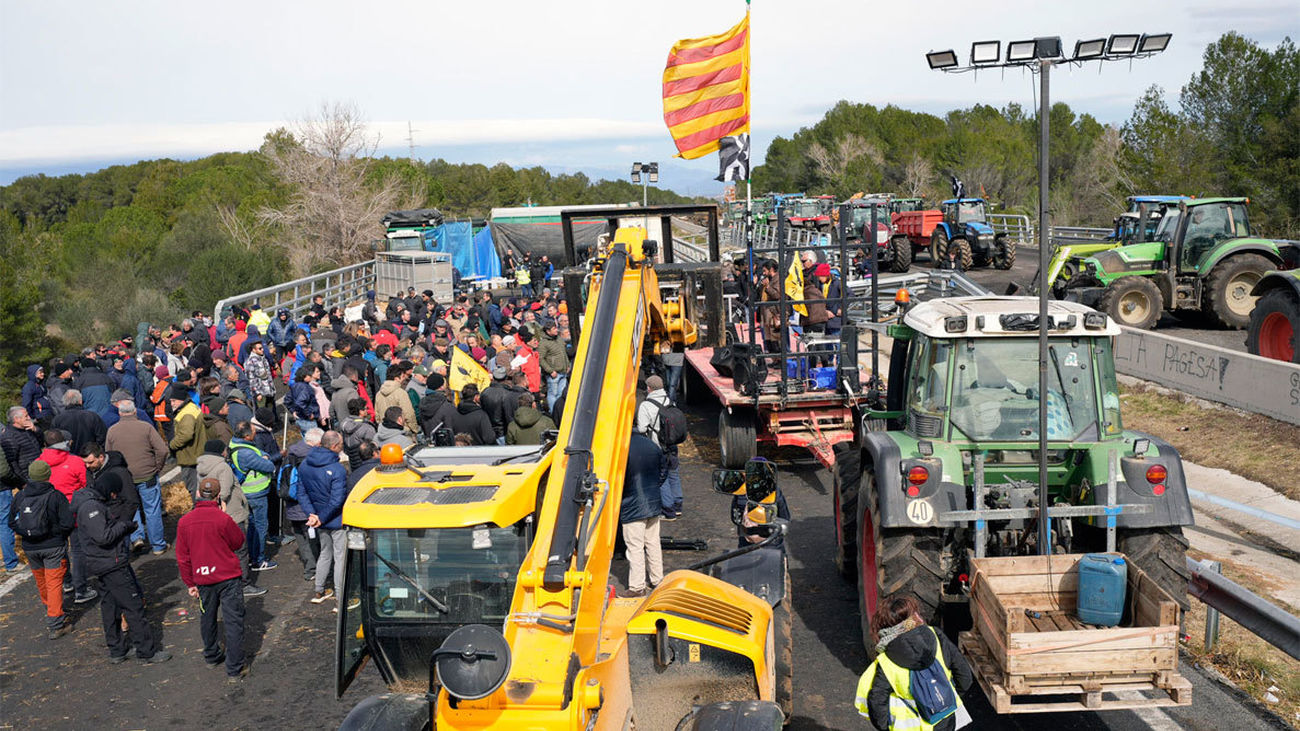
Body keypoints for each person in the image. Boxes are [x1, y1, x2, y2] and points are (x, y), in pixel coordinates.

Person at [75, 465, 170, 664]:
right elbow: (103, 536)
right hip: (111, 562)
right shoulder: (92, 507)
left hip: (101, 562)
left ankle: (117, 649)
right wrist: (125, 526)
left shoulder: (88, 502)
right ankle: (147, 651)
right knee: (133, 605)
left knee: (110, 605)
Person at [854, 595, 973, 731]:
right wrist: (945, 697)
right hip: (944, 721)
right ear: (914, 617)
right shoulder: (936, 636)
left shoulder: (887, 661)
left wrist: (885, 727)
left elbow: (877, 700)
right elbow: (965, 676)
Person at [177, 477, 249, 681]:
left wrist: (189, 583)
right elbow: (238, 542)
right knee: (233, 621)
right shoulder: (222, 519)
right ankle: (235, 668)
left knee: (207, 617)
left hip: (203, 579)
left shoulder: (185, 522)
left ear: (198, 494)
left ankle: (211, 655)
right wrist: (224, 515)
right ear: (219, 497)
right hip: (228, 577)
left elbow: (183, 557)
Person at [7, 459, 74, 638]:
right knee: (54, 583)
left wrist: (27, 533)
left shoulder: (20, 496)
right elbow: (68, 523)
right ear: (47, 476)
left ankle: (51, 608)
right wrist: (58, 535)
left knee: (42, 582)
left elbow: (11, 521)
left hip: (30, 548)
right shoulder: (55, 496)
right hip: (53, 546)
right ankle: (56, 622)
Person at [106, 401, 169, 554]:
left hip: (124, 478)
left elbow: (109, 454)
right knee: (152, 510)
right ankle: (158, 545)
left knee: (131, 508)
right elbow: (162, 450)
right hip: (147, 474)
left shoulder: (112, 431)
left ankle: (137, 537)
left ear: (120, 413)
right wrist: (157, 467)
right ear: (135, 411)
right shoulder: (146, 427)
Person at [298, 430, 348, 607]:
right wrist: (320, 517)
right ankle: (341, 597)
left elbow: (301, 493)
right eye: (341, 443)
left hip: (318, 518)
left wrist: (312, 515)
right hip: (335, 519)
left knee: (325, 553)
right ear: (334, 446)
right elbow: (337, 500)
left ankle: (319, 590)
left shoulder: (305, 465)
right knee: (340, 556)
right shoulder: (337, 469)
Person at [619, 433, 667, 597]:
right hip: (653, 500)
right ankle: (657, 579)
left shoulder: (621, 447)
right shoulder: (652, 445)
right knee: (653, 542)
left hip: (631, 504)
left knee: (635, 547)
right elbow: (663, 471)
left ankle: (637, 586)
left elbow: (618, 479)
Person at [228, 421, 278, 573]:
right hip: (256, 492)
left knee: (251, 525)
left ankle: (252, 556)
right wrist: (265, 459)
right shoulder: (247, 453)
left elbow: (263, 455)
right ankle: (259, 559)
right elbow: (269, 466)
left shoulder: (234, 444)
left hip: (246, 492)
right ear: (247, 436)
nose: (256, 433)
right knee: (260, 526)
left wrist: (264, 456)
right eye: (254, 432)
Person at [635, 376, 682, 520]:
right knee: (674, 475)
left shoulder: (645, 405)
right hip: (672, 445)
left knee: (662, 478)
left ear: (649, 388)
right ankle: (678, 505)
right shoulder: (669, 401)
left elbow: (642, 428)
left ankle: (668, 511)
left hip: (658, 447)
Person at [283, 428, 322, 582]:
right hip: (306, 506)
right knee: (312, 539)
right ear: (316, 442)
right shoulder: (310, 458)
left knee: (300, 537)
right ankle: (312, 569)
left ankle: (310, 567)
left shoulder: (291, 454)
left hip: (291, 504)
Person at [168, 384, 207, 497]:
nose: (172, 404)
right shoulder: (191, 408)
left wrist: (172, 445)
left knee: (193, 487)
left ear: (181, 400)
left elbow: (186, 435)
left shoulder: (187, 414)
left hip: (190, 456)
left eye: (174, 401)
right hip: (196, 453)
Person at [52, 389, 107, 455]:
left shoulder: (58, 419)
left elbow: (54, 440)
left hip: (67, 457)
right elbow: (102, 437)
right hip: (89, 456)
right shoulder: (92, 416)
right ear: (80, 401)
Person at [538, 318, 569, 413]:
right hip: (553, 374)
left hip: (563, 371)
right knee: (553, 395)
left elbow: (563, 353)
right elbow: (540, 359)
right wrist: (550, 371)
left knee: (561, 395)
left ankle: (561, 413)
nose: (556, 330)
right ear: (548, 331)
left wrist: (567, 365)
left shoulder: (559, 339)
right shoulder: (543, 343)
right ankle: (554, 412)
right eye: (554, 329)